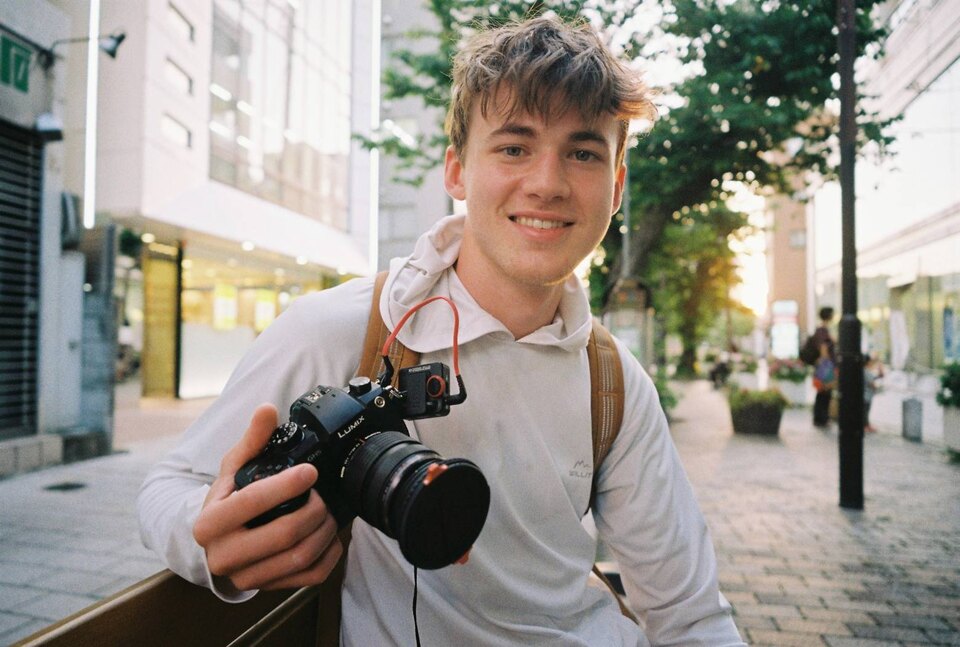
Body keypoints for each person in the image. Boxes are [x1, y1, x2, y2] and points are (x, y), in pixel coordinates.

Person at [137, 16, 744, 646]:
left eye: (584, 152)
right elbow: (168, 489)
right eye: (514, 147)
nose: (548, 183)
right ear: (456, 170)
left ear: (615, 186)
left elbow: (689, 613)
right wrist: (218, 543)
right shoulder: (349, 326)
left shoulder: (613, 381)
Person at [811, 306, 836, 428]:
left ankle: (821, 418)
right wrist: (826, 364)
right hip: (826, 365)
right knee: (824, 391)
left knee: (824, 392)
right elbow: (824, 348)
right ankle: (821, 418)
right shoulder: (822, 330)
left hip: (825, 364)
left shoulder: (824, 330)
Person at [863, 354, 884, 433]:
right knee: (865, 412)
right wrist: (879, 389)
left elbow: (875, 377)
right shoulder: (866, 372)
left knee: (866, 411)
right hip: (866, 396)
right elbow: (872, 384)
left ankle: (866, 425)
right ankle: (865, 426)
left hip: (866, 396)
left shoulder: (864, 371)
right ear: (868, 362)